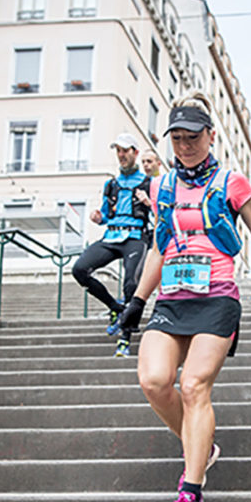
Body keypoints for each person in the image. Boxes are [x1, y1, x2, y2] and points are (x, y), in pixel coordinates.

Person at [119, 93, 251, 502]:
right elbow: (158, 246)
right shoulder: (161, 188)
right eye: (178, 137)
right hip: (172, 299)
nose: (186, 145)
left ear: (211, 135)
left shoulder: (233, 182)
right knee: (154, 381)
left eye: (194, 137)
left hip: (217, 297)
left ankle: (190, 496)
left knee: (193, 386)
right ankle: (202, 447)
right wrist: (137, 300)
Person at [71, 133, 150, 357]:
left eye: (125, 150)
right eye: (118, 151)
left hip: (135, 237)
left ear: (135, 152)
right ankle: (116, 309)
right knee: (79, 269)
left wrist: (148, 202)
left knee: (131, 284)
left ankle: (125, 336)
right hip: (111, 237)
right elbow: (106, 214)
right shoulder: (111, 184)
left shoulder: (148, 183)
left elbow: (160, 211)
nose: (121, 155)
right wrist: (99, 218)